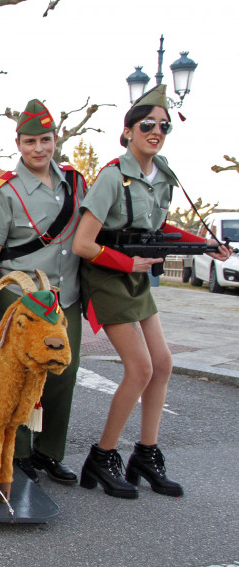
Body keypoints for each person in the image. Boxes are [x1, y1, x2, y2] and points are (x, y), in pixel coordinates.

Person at [72, 85, 230, 499]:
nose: (156, 131)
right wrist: (127, 264)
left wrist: (203, 243)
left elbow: (158, 231)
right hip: (108, 276)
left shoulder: (164, 176)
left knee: (162, 363)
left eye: (163, 126)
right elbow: (83, 244)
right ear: (127, 132)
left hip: (137, 275)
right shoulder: (112, 176)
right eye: (147, 125)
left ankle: (146, 453)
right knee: (140, 368)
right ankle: (103, 456)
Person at [0, 99, 87, 485]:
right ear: (18, 143)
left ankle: (50, 452)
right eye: (31, 141)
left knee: (62, 374)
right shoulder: (6, 190)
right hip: (20, 300)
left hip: (63, 299)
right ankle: (17, 455)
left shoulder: (75, 182)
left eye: (46, 140)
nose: (39, 149)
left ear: (55, 140)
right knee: (16, 377)